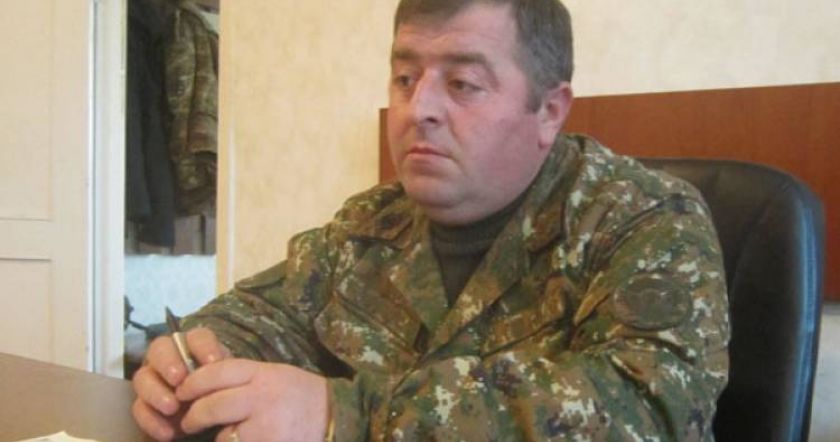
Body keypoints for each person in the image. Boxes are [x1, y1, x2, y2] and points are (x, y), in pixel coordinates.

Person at [132, 0, 731, 440]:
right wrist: (194, 361)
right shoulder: (372, 222)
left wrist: (344, 415)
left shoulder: (644, 219)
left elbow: (653, 413)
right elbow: (263, 316)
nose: (419, 109)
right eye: (405, 78)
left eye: (463, 83)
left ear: (549, 111)